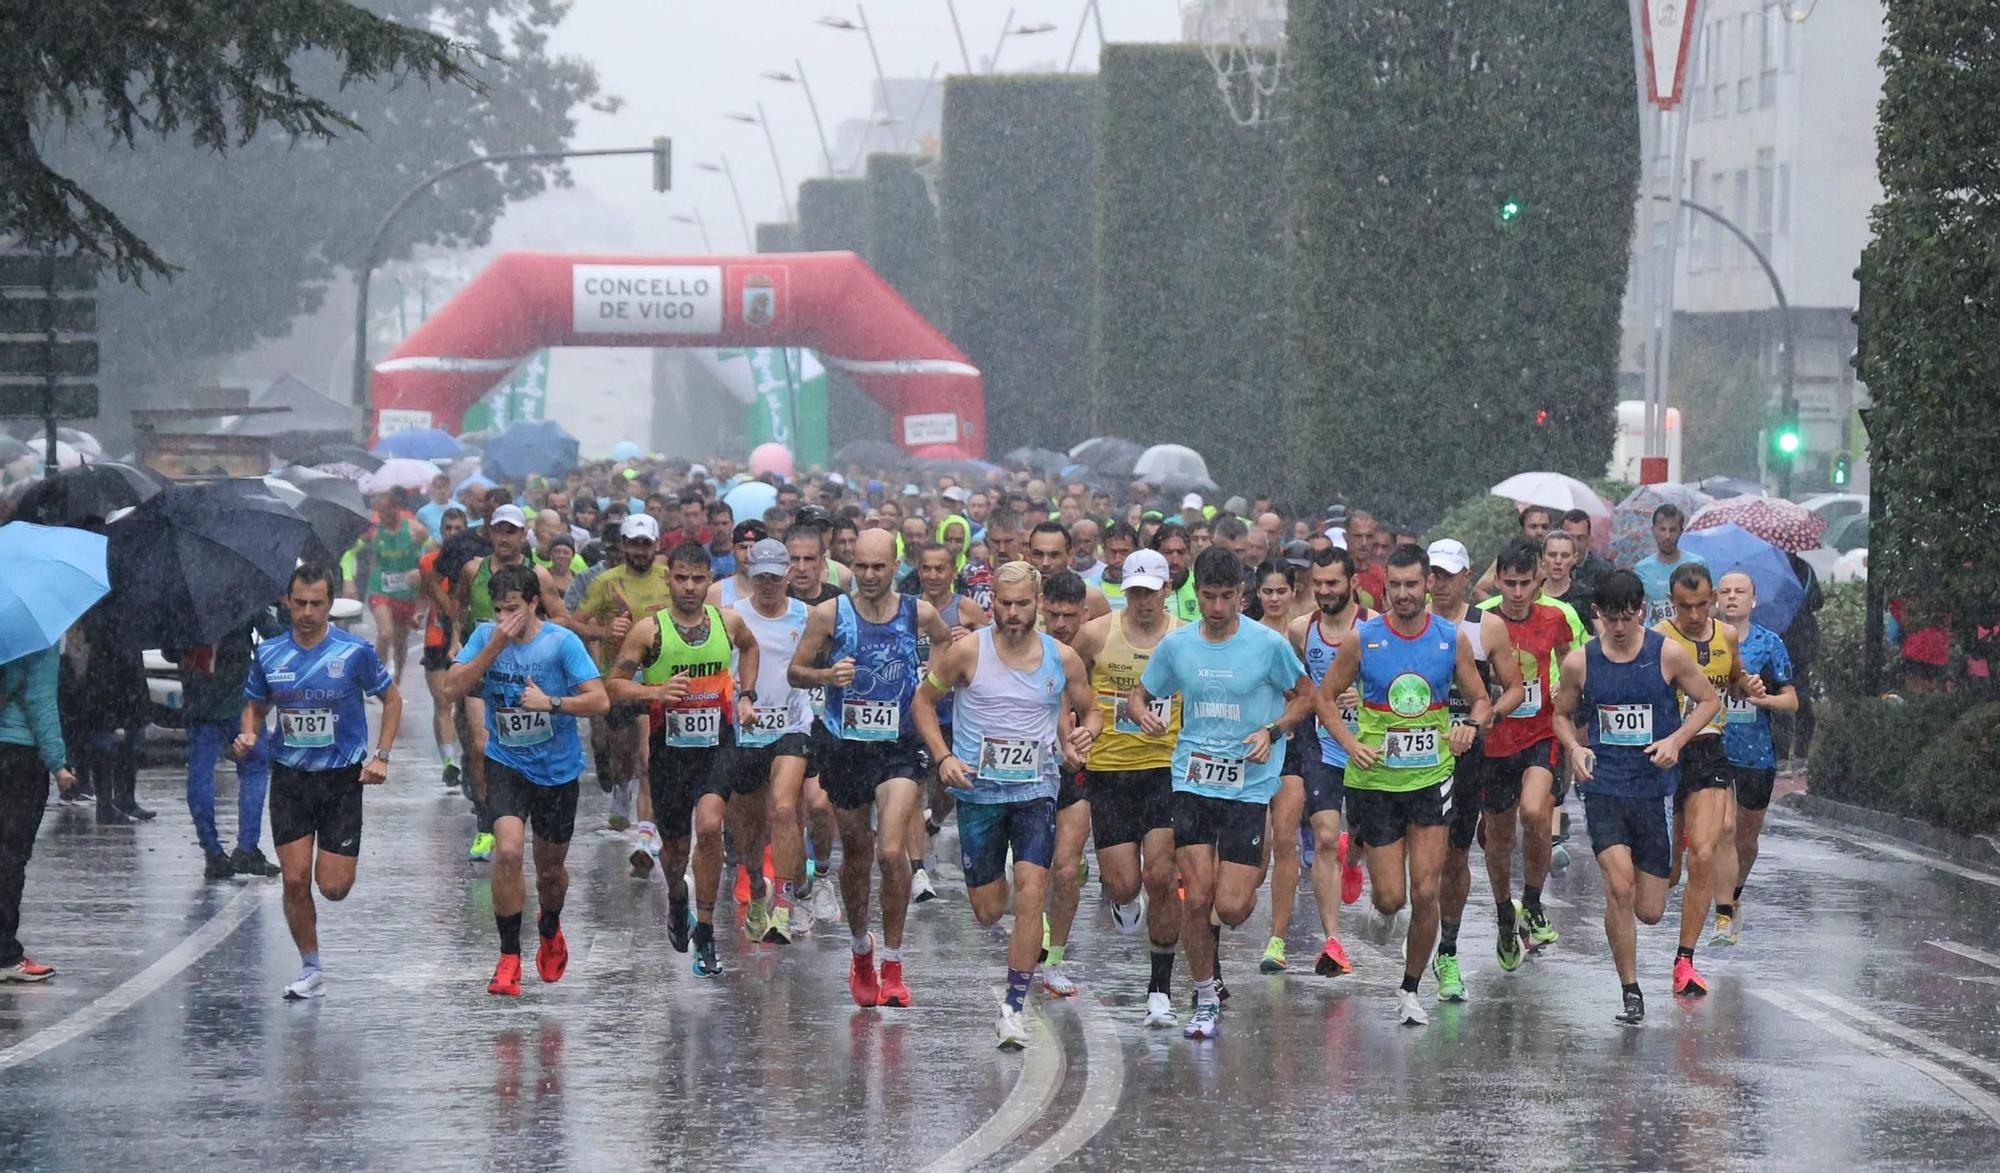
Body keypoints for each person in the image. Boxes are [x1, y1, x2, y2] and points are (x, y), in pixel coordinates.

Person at [913, 561, 1101, 1049]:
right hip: (979, 793)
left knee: (1032, 889)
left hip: (1036, 791)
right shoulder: (967, 652)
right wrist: (944, 757)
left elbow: (1093, 711)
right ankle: (1013, 917)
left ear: (1037, 603)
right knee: (988, 910)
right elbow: (921, 704)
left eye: (1022, 604)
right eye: (1004, 603)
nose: (1013, 614)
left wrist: (1085, 733)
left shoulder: (1063, 658)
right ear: (990, 601)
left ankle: (1013, 1008)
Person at [1317, 544, 1505, 1026]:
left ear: (1427, 586)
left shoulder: (1450, 639)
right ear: (1384, 589)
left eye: (1412, 585)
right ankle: (1380, 910)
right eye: (1394, 586)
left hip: (1431, 778)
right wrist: (1350, 742)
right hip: (1376, 781)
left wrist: (1472, 726)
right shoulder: (1364, 639)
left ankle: (1410, 988)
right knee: (1391, 899)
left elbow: (1481, 699)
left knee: (1426, 892)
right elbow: (1323, 697)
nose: (1403, 594)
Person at [1130, 547, 1313, 1040]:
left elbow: (1307, 697)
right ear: (1197, 595)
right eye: (1207, 597)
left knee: (1231, 907)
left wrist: (1272, 731)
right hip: (1191, 781)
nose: (1215, 608)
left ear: (1241, 596)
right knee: (1198, 896)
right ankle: (1206, 995)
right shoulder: (1177, 646)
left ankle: (1243, 892)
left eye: (1225, 597)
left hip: (1248, 788)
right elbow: (1140, 694)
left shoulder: (1266, 644)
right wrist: (1141, 713)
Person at [788, 529, 953, 1007]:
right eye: (861, 566)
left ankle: (895, 962)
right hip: (845, 746)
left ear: (894, 565)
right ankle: (862, 950)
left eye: (879, 567)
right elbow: (795, 671)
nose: (869, 576)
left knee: (890, 851)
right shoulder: (830, 614)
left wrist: (930, 689)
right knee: (857, 855)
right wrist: (825, 674)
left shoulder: (916, 612)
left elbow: (946, 644)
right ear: (850, 564)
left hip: (899, 746)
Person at [1552, 569, 1719, 1025]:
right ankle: (1631, 991)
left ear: (1642, 612)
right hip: (1603, 787)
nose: (1620, 627)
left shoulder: (1666, 654)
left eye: (1628, 617)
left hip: (1653, 790)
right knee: (1619, 886)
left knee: (1649, 909)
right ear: (1597, 615)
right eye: (1612, 618)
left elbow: (1708, 701)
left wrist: (1677, 741)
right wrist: (1574, 747)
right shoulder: (1580, 663)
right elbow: (1562, 714)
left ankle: (1627, 911)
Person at [238, 565, 403, 1001]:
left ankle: (334, 875)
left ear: (331, 606)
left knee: (332, 887)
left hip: (341, 781)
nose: (307, 612)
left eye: (316, 604)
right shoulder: (270, 654)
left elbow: (391, 699)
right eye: (299, 603)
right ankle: (311, 968)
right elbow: (254, 705)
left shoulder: (354, 652)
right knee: (294, 881)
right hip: (290, 778)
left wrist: (381, 756)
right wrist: (249, 732)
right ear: (287, 603)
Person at [443, 564, 608, 996]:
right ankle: (509, 957)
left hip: (556, 772)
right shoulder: (487, 637)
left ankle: (550, 924)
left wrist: (551, 703)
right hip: (507, 763)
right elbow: (450, 688)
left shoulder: (562, 643)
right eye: (498, 610)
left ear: (534, 603)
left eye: (513, 609)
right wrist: (492, 646)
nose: (505, 619)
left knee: (550, 872)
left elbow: (600, 700)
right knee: (509, 852)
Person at [607, 542, 762, 978]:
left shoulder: (727, 621)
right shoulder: (648, 631)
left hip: (717, 745)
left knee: (711, 826)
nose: (690, 587)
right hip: (670, 752)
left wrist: (746, 694)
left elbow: (750, 649)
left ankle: (708, 930)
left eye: (699, 579)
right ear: (669, 578)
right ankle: (677, 900)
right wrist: (653, 693)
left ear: (709, 580)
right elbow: (614, 685)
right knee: (674, 852)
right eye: (681, 578)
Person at [1070, 549, 1186, 1024]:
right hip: (1110, 772)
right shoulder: (1097, 634)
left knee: (1163, 877)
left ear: (1167, 590)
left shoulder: (1185, 638)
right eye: (1134, 591)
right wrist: (1068, 729)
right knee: (1123, 884)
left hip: (1168, 771)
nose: (1142, 601)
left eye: (1151, 591)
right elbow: (1063, 679)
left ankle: (1159, 988)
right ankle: (1123, 900)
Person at [1418, 538, 1517, 1002]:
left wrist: (1483, 718)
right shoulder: (1403, 625)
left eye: (1447, 575)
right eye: (1432, 575)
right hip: (1411, 754)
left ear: (1466, 576)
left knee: (1455, 856)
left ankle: (1449, 950)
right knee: (1414, 856)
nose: (1438, 584)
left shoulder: (1487, 627)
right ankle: (1406, 916)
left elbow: (1513, 687)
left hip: (1465, 753)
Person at [1657, 563, 1762, 995]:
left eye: (1702, 604)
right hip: (1664, 753)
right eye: (1686, 606)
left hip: (1708, 750)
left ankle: (1685, 961)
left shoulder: (1727, 636)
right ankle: (1671, 855)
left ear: (1714, 598)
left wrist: (1745, 686)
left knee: (1704, 853)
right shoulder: (1659, 637)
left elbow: (1734, 680)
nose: (1695, 615)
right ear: (1672, 602)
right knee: (1667, 874)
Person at [1473, 539, 1572, 971]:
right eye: (1509, 583)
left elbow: (1572, 661)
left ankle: (1531, 901)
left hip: (1539, 734)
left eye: (1524, 583)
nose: (1516, 593)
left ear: (1539, 580)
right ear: (1497, 580)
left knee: (1535, 812)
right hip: (1494, 743)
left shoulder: (1555, 617)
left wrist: (1567, 698)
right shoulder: (1481, 623)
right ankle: (1502, 914)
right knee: (1499, 839)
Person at [455, 504, 571, 862]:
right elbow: (460, 608)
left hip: (527, 672)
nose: (504, 538)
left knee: (515, 740)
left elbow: (562, 616)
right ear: (489, 533)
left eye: (512, 531)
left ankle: (516, 810)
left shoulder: (538, 575)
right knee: (479, 742)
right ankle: (486, 821)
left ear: (524, 536)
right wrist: (458, 644)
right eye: (498, 530)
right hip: (485, 664)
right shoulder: (474, 569)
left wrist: (550, 646)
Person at [1289, 547, 1374, 980]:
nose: (1324, 592)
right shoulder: (1300, 629)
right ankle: (1333, 942)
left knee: (1362, 836)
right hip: (1322, 745)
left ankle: (1354, 857)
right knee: (1323, 836)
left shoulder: (1374, 627)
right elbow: (1300, 686)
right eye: (1318, 584)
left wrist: (1363, 695)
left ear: (1352, 583)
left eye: (1333, 584)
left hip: (1368, 748)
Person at [728, 539, 818, 944]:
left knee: (784, 808)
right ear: (749, 575)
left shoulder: (809, 617)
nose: (767, 585)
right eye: (759, 577)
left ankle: (783, 904)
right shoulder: (731, 617)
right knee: (749, 825)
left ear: (787, 576)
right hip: (745, 730)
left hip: (793, 725)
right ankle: (756, 885)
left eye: (774, 577)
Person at [572, 514, 672, 870]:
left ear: (656, 545)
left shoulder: (670, 579)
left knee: (647, 757)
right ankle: (620, 794)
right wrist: (605, 632)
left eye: (646, 544)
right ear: (624, 545)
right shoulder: (606, 583)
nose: (640, 551)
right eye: (634, 543)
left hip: (659, 680)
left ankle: (645, 834)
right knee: (623, 756)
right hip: (619, 678)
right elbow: (574, 624)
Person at [1714, 570, 1797, 944]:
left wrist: (1764, 699)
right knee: (1724, 829)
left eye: (1740, 592)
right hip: (1714, 750)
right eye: (1726, 591)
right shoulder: (1707, 641)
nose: (1732, 597)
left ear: (1753, 600)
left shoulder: (1769, 643)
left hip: (1756, 755)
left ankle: (1734, 894)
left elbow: (1791, 700)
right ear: (1716, 598)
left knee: (1745, 840)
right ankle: (1720, 909)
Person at [173, 609, 285, 881]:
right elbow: (274, 634)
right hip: (237, 700)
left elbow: (168, 650)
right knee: (255, 764)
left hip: (198, 699)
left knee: (200, 772)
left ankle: (212, 852)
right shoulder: (237, 592)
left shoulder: (180, 601)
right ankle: (246, 848)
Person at [907, 542, 988, 903]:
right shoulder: (907, 608)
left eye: (941, 568)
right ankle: (917, 871)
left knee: (949, 789)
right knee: (912, 788)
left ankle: (935, 822)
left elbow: (992, 647)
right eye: (928, 568)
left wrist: (971, 638)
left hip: (956, 712)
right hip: (916, 710)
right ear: (919, 571)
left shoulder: (966, 608)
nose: (934, 575)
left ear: (953, 571)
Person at [1031, 569, 1093, 994]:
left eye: (1069, 616)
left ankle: (1055, 961)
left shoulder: (1097, 644)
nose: (1060, 625)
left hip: (1080, 770)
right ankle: (1033, 928)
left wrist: (1085, 735)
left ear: (1084, 613)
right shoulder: (1023, 647)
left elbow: (1102, 707)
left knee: (1066, 870)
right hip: (1025, 775)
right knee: (1030, 875)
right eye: (1052, 615)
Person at [1, 644, 75, 983]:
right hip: (19, 757)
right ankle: (5, 952)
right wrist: (58, 764)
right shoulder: (37, 638)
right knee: (11, 854)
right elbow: (40, 702)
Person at [1252, 559, 1312, 974]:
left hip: (1292, 747)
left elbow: (1316, 689)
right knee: (1255, 861)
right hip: (1248, 749)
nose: (1274, 599)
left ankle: (1277, 939)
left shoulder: (1304, 635)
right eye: (1267, 592)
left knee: (1286, 840)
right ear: (1257, 594)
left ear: (1293, 592)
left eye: (1281, 591)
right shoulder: (1242, 634)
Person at [420, 508, 470, 794]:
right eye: (447, 528)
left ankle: (468, 754)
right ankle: (448, 762)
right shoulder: (428, 561)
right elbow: (426, 593)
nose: (452, 533)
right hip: (436, 634)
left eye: (457, 528)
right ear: (441, 530)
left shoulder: (473, 563)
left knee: (464, 704)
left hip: (466, 635)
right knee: (442, 701)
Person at [361, 487, 430, 685]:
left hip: (406, 591)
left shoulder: (416, 531)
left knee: (400, 640)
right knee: (385, 633)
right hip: (380, 588)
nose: (381, 516)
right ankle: (379, 679)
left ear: (396, 509)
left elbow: (433, 553)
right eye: (378, 512)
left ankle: (398, 676)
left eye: (384, 512)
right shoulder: (374, 532)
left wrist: (420, 571)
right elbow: (360, 554)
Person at [1633, 504, 1707, 624]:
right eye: (1662, 529)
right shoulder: (1641, 569)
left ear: (1680, 532)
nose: (1667, 536)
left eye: (1672, 530)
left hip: (1688, 634)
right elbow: (1636, 608)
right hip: (1655, 637)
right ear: (1653, 530)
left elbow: (1710, 603)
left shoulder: (1698, 564)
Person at [1095, 522, 1139, 610]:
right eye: (1113, 552)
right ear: (1104, 550)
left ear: (1135, 552)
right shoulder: (1089, 588)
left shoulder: (1146, 589)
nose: (1117, 559)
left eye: (1124, 552)